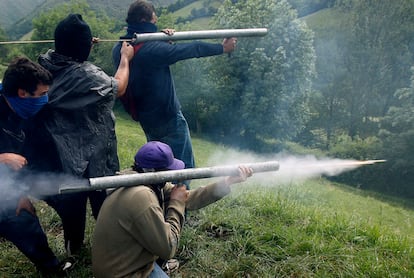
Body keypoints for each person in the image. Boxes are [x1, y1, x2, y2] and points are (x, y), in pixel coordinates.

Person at [24, 13, 135, 262]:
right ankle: (111, 248)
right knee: (103, 201)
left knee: (71, 203)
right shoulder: (85, 75)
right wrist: (125, 59)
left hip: (61, 155)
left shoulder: (45, 64)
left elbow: (67, 52)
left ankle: (73, 250)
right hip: (92, 153)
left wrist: (81, 47)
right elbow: (119, 85)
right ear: (82, 49)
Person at [112, 0, 238, 187]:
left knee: (158, 167)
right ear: (144, 20)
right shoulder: (153, 49)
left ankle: (161, 204)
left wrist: (160, 39)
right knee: (182, 170)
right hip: (169, 119)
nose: (156, 22)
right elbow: (192, 49)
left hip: (146, 119)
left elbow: (147, 57)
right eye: (154, 19)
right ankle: (179, 211)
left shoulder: (121, 49)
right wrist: (222, 48)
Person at [91, 141, 253, 278]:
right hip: (123, 273)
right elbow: (169, 247)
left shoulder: (142, 181)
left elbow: (187, 198)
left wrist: (227, 182)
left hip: (129, 261)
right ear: (156, 172)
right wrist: (176, 204)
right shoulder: (141, 197)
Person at [0, 57, 65, 276]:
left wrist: (19, 191)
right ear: (22, 93)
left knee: (23, 217)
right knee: (16, 218)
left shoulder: (24, 111)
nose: (45, 99)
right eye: (42, 94)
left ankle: (51, 267)